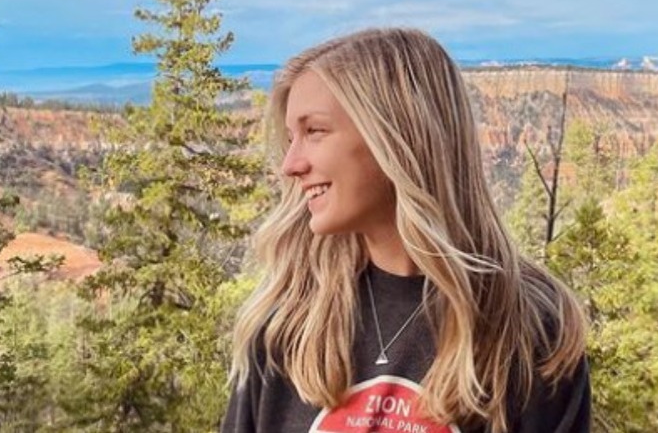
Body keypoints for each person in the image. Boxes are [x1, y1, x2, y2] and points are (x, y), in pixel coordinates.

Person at [222, 27, 590, 433]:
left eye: (315, 131)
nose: (290, 164)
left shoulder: (529, 329)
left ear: (396, 136)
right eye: (291, 138)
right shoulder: (287, 327)